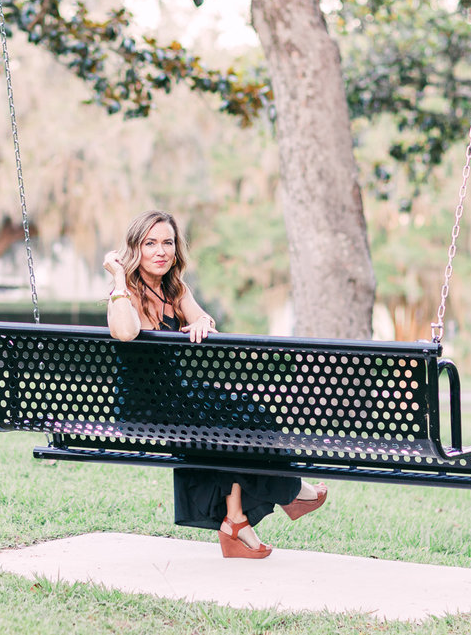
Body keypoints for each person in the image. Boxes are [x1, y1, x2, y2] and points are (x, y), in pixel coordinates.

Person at [102, 210, 327, 559]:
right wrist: (118, 276)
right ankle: (291, 491)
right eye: (151, 243)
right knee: (233, 419)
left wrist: (202, 323)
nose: (161, 251)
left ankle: (236, 520)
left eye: (168, 243)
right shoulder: (126, 294)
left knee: (244, 411)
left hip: (176, 398)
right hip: (143, 408)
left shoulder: (175, 289)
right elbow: (126, 332)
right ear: (135, 248)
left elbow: (203, 318)